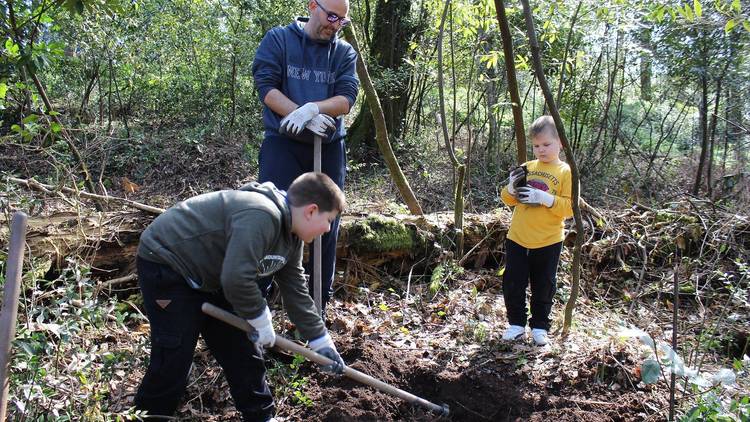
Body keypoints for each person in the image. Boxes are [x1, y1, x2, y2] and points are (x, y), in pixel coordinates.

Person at [133, 172, 347, 421]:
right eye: (329, 219)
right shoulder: (261, 215)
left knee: (243, 351)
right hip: (168, 264)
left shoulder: (292, 238)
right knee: (174, 358)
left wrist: (321, 341)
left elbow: (295, 288)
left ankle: (262, 417)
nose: (328, 228)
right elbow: (236, 279)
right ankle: (147, 417)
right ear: (311, 211)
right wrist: (259, 316)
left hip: (213, 276)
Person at [252, 0, 358, 314]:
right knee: (271, 219)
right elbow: (267, 88)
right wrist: (298, 113)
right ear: (313, 5)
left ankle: (315, 310)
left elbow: (346, 98)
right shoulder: (279, 39)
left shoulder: (343, 52)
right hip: (282, 143)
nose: (334, 24)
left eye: (342, 20)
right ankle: (257, 305)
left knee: (326, 224)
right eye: (331, 16)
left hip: (327, 146)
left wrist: (315, 109)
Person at [499, 116, 574, 346]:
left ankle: (540, 326)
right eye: (536, 145)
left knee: (544, 285)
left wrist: (545, 198)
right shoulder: (528, 168)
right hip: (518, 237)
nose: (541, 150)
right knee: (513, 282)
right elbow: (508, 199)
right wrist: (512, 187)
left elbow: (570, 209)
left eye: (546, 144)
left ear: (560, 142)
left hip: (548, 240)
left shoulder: (565, 171)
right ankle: (516, 324)